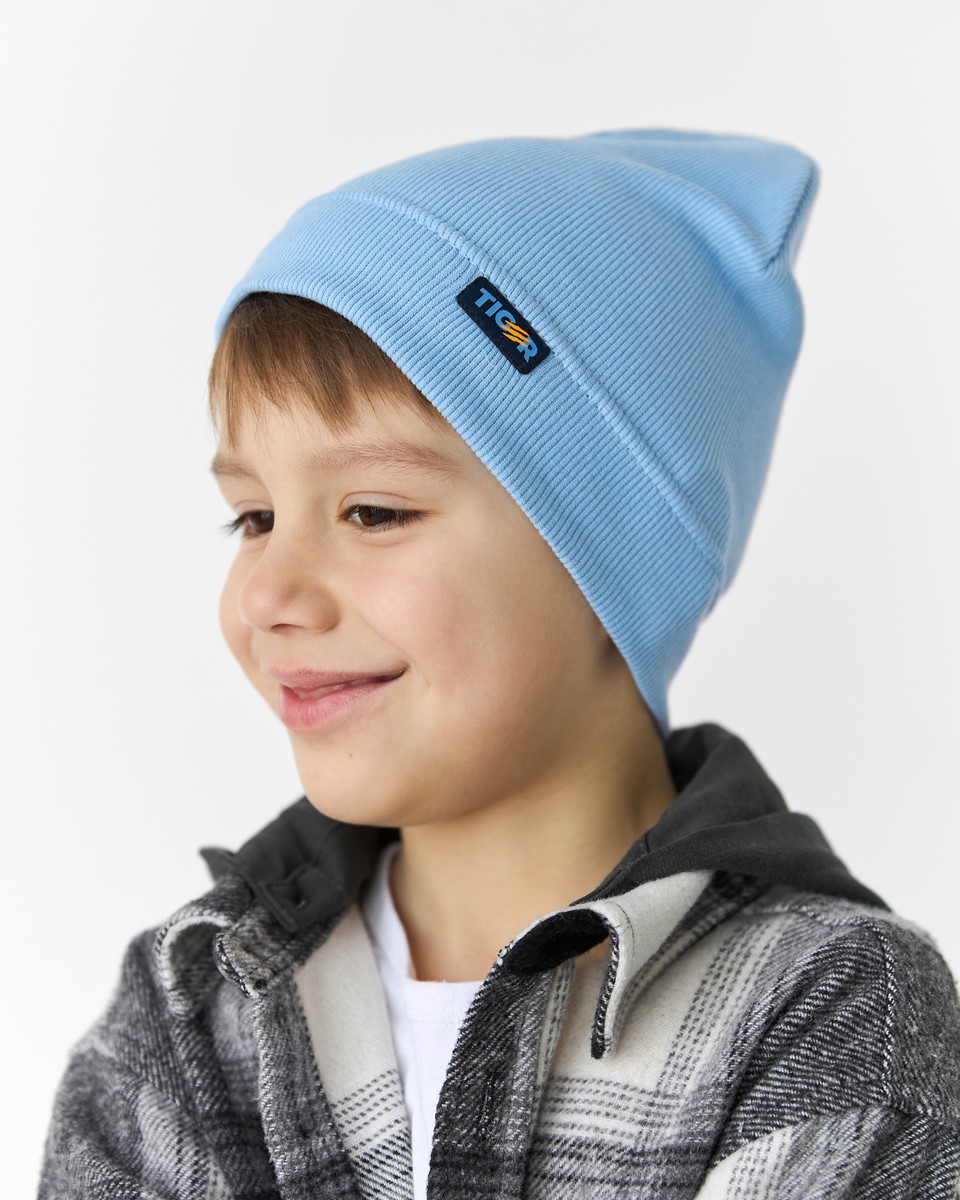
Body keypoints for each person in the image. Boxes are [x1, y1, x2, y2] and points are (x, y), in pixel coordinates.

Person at [39, 130, 960, 1198]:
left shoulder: (832, 1009)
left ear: (611, 559)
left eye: (373, 512)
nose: (267, 597)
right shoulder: (191, 1013)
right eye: (252, 518)